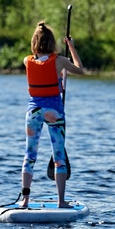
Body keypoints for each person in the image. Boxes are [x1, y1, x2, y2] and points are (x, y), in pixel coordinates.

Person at [21, 20, 85, 209]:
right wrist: (71, 48)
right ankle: (61, 201)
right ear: (52, 42)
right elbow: (80, 70)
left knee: (29, 155)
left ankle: (25, 200)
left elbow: (40, 64)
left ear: (34, 42)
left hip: (33, 112)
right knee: (59, 157)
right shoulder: (59, 61)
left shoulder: (27, 61)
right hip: (55, 112)